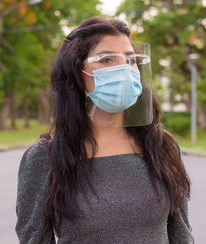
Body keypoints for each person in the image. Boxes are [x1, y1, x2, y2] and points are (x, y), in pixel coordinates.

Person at [15, 16, 194, 243]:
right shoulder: (45, 157)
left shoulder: (161, 147)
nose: (123, 68)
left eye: (130, 61)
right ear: (78, 73)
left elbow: (181, 236)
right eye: (107, 60)